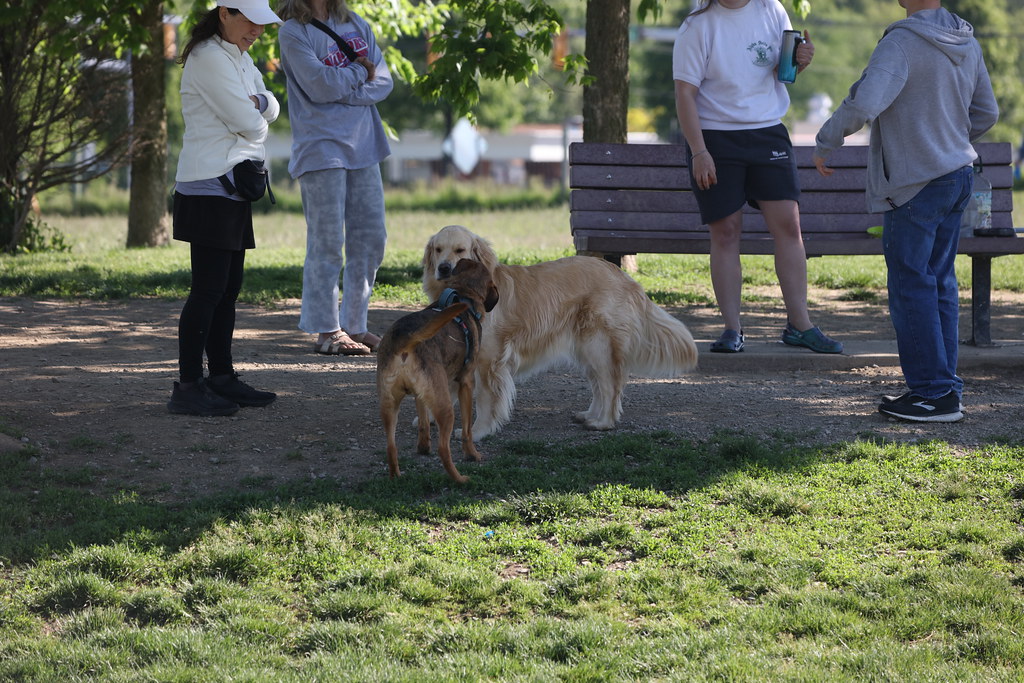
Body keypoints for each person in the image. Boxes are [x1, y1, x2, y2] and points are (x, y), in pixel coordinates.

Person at [813, 0, 997, 423]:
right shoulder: (966, 40)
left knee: (912, 286)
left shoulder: (901, 42)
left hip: (915, 185)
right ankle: (945, 389)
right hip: (957, 175)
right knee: (939, 284)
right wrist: (946, 139)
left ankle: (932, 394)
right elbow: (987, 111)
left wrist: (826, 141)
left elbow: (863, 105)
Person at [673, 0, 842, 355]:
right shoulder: (697, 25)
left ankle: (800, 325)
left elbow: (783, 73)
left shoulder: (773, 9)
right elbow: (684, 94)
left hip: (768, 132)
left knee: (789, 226)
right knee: (726, 232)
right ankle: (732, 329)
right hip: (715, 136)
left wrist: (800, 61)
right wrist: (700, 151)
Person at [168, 0, 283, 416]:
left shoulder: (239, 55)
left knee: (228, 290)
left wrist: (259, 103)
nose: (257, 30)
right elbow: (251, 121)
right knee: (208, 291)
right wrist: (258, 105)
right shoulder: (208, 57)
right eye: (250, 20)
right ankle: (187, 386)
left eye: (262, 24)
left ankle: (220, 377)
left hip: (232, 186)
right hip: (208, 187)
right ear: (224, 13)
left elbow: (272, 104)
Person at [277, 0, 393, 356]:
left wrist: (344, 88)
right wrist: (360, 73)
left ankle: (355, 325)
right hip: (320, 147)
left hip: (364, 144)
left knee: (371, 238)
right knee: (327, 243)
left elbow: (384, 82)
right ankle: (328, 331)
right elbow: (319, 86)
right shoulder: (293, 31)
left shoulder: (355, 23)